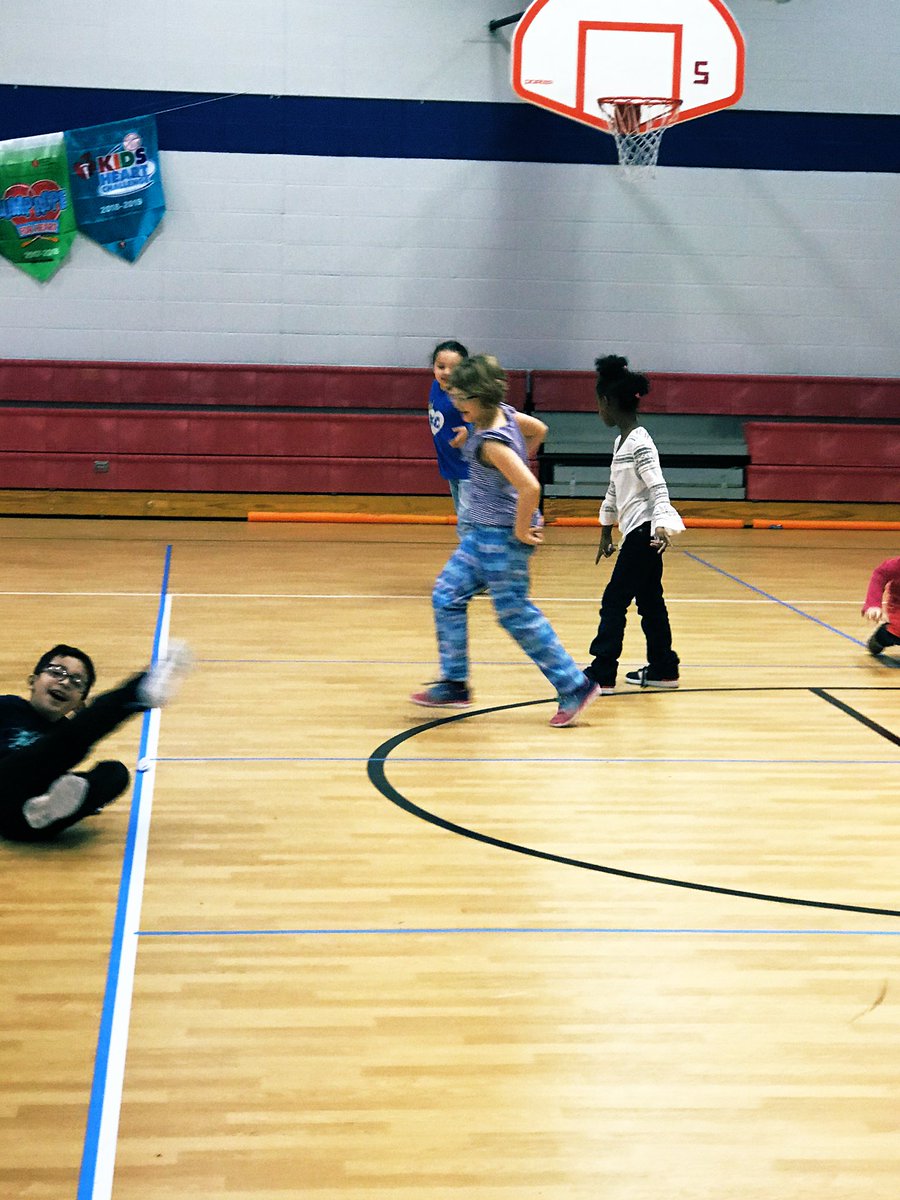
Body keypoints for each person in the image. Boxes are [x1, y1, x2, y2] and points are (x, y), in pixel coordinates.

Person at [410, 353, 600, 728]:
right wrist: (479, 439)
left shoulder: (492, 443)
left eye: (462, 398)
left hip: (501, 537)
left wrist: (519, 527)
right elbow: (539, 430)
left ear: (480, 397)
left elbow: (529, 486)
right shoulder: (505, 415)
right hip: (480, 535)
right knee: (447, 594)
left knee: (515, 614)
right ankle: (454, 682)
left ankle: (575, 685)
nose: (455, 404)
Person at [0, 641, 192, 841]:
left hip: (24, 824)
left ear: (80, 704)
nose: (65, 683)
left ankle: (47, 809)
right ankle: (137, 693)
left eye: (76, 681)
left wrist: (85, 793)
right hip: (4, 780)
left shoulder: (67, 734)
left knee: (115, 773)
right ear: (33, 681)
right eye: (57, 672)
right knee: (65, 742)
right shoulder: (8, 707)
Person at [584, 354, 684, 692]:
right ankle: (663, 669)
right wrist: (605, 530)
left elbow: (657, 486)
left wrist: (661, 526)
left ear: (609, 402)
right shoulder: (621, 443)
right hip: (634, 533)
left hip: (645, 534)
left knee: (614, 600)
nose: (598, 410)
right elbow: (614, 490)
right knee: (650, 600)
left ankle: (603, 672)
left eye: (598, 403)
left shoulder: (641, 443)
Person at [428, 340, 471, 532]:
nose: (446, 372)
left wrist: (470, 430)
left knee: (467, 522)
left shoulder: (466, 394)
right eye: (441, 366)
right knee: (462, 517)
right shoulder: (435, 387)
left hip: (472, 468)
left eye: (454, 368)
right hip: (451, 464)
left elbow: (490, 417)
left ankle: (472, 559)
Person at [862, 555, 900, 656]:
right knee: (895, 631)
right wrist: (873, 604)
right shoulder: (896, 565)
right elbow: (880, 574)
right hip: (898, 605)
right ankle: (879, 639)